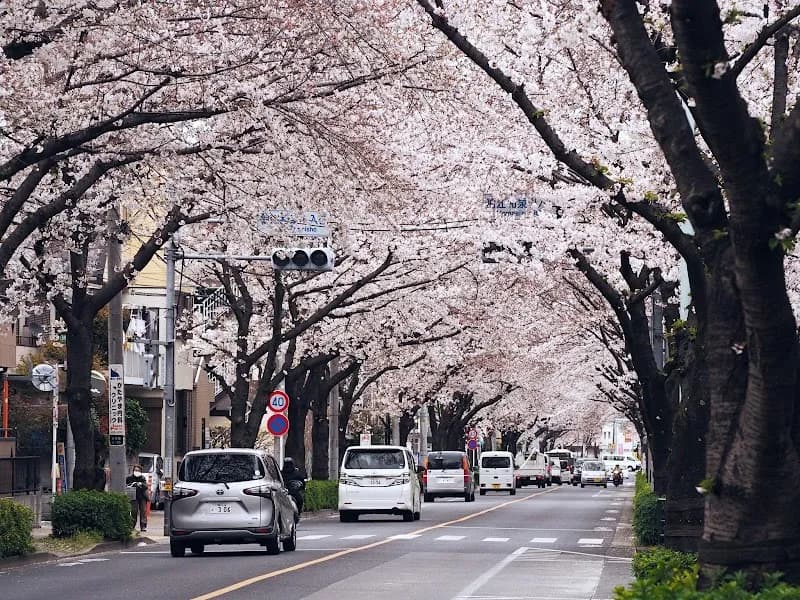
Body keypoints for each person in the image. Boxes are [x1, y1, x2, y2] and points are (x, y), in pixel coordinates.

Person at [126, 464, 149, 532]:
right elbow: (126, 485)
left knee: (143, 511)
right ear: (133, 471)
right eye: (135, 470)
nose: (137, 471)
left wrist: (141, 484)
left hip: (142, 497)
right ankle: (132, 525)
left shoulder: (142, 478)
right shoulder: (129, 478)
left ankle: (143, 526)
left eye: (138, 470)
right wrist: (133, 484)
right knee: (134, 511)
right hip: (133, 497)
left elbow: (146, 486)